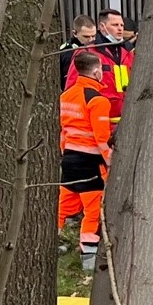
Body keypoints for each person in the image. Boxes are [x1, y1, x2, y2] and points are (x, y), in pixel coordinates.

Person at [57, 49, 114, 271]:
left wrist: (65, 154)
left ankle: (46, 245)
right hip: (90, 163)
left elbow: (63, 131)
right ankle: (89, 258)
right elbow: (102, 139)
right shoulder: (97, 100)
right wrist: (110, 162)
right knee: (93, 210)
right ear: (97, 72)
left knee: (63, 207)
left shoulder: (66, 96)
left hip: (69, 159)